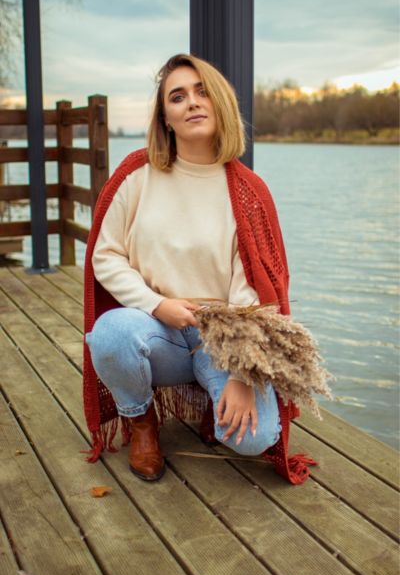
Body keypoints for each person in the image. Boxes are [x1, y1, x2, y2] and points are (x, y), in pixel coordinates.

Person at [83, 53, 314, 484]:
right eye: (178, 96)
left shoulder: (248, 192)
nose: (192, 102)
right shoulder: (137, 175)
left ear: (220, 103)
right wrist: (157, 305)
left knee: (255, 437)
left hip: (221, 341)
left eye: (202, 91)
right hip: (158, 332)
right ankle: (142, 422)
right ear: (165, 117)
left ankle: (215, 399)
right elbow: (105, 255)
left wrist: (243, 376)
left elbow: (257, 293)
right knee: (110, 335)